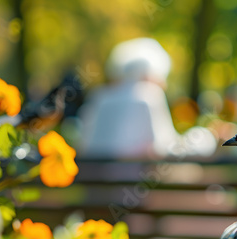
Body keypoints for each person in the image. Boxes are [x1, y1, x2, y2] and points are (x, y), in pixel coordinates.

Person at [77, 38, 216, 159]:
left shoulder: (98, 96)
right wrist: (205, 139)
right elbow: (163, 148)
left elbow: (83, 143)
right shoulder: (148, 95)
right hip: (133, 181)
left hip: (94, 184)